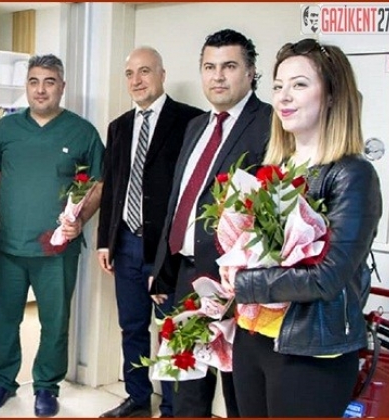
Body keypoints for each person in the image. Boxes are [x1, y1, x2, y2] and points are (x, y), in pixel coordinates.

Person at [223, 39, 381, 418]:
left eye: (299, 84)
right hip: (254, 338)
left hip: (310, 353)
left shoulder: (352, 174)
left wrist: (244, 284)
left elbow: (328, 278)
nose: (284, 97)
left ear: (332, 95)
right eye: (278, 86)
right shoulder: (274, 169)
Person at [149, 29, 273, 418]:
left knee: (240, 394)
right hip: (187, 277)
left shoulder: (271, 125)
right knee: (187, 388)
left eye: (229, 66)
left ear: (251, 72)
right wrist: (163, 270)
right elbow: (179, 202)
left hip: (238, 285)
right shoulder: (197, 126)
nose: (217, 76)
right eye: (209, 67)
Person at [0, 54, 105, 418]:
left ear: (61, 87)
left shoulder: (82, 132)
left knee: (54, 321)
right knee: (4, 318)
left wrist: (80, 220)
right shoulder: (7, 129)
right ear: (26, 86)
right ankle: (3, 380)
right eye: (34, 81)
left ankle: (47, 386)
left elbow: (98, 184)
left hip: (57, 250)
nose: (40, 89)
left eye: (49, 82)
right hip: (10, 246)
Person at [97, 47, 203, 419]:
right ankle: (138, 397)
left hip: (167, 248)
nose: (137, 80)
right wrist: (105, 241)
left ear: (162, 74)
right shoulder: (119, 126)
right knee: (132, 327)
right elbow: (112, 186)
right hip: (126, 243)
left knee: (173, 329)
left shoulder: (191, 121)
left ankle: (173, 407)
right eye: (130, 74)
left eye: (145, 71)